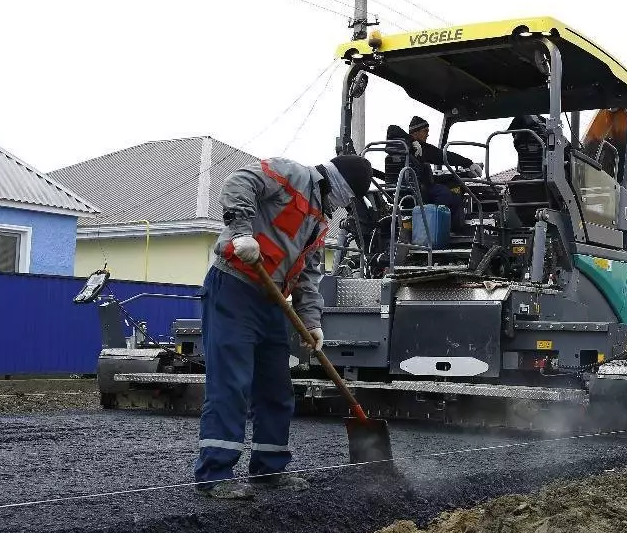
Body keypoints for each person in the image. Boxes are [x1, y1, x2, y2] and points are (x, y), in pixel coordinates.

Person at [193, 154, 375, 499]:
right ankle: (215, 473)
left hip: (272, 300)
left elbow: (308, 275)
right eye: (347, 199)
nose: (344, 207)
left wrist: (312, 322)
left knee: (277, 388)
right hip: (234, 288)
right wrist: (242, 233)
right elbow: (238, 183)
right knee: (231, 384)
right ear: (339, 187)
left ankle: (269, 467)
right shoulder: (292, 174)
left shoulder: (319, 224)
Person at [406, 116, 480, 233]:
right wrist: (410, 140)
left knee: (455, 190)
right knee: (444, 193)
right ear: (415, 132)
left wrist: (466, 164)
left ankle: (452, 229)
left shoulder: (421, 147)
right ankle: (435, 227)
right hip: (418, 188)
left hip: (420, 185)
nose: (427, 135)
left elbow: (442, 155)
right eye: (425, 131)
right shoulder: (408, 145)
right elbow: (392, 129)